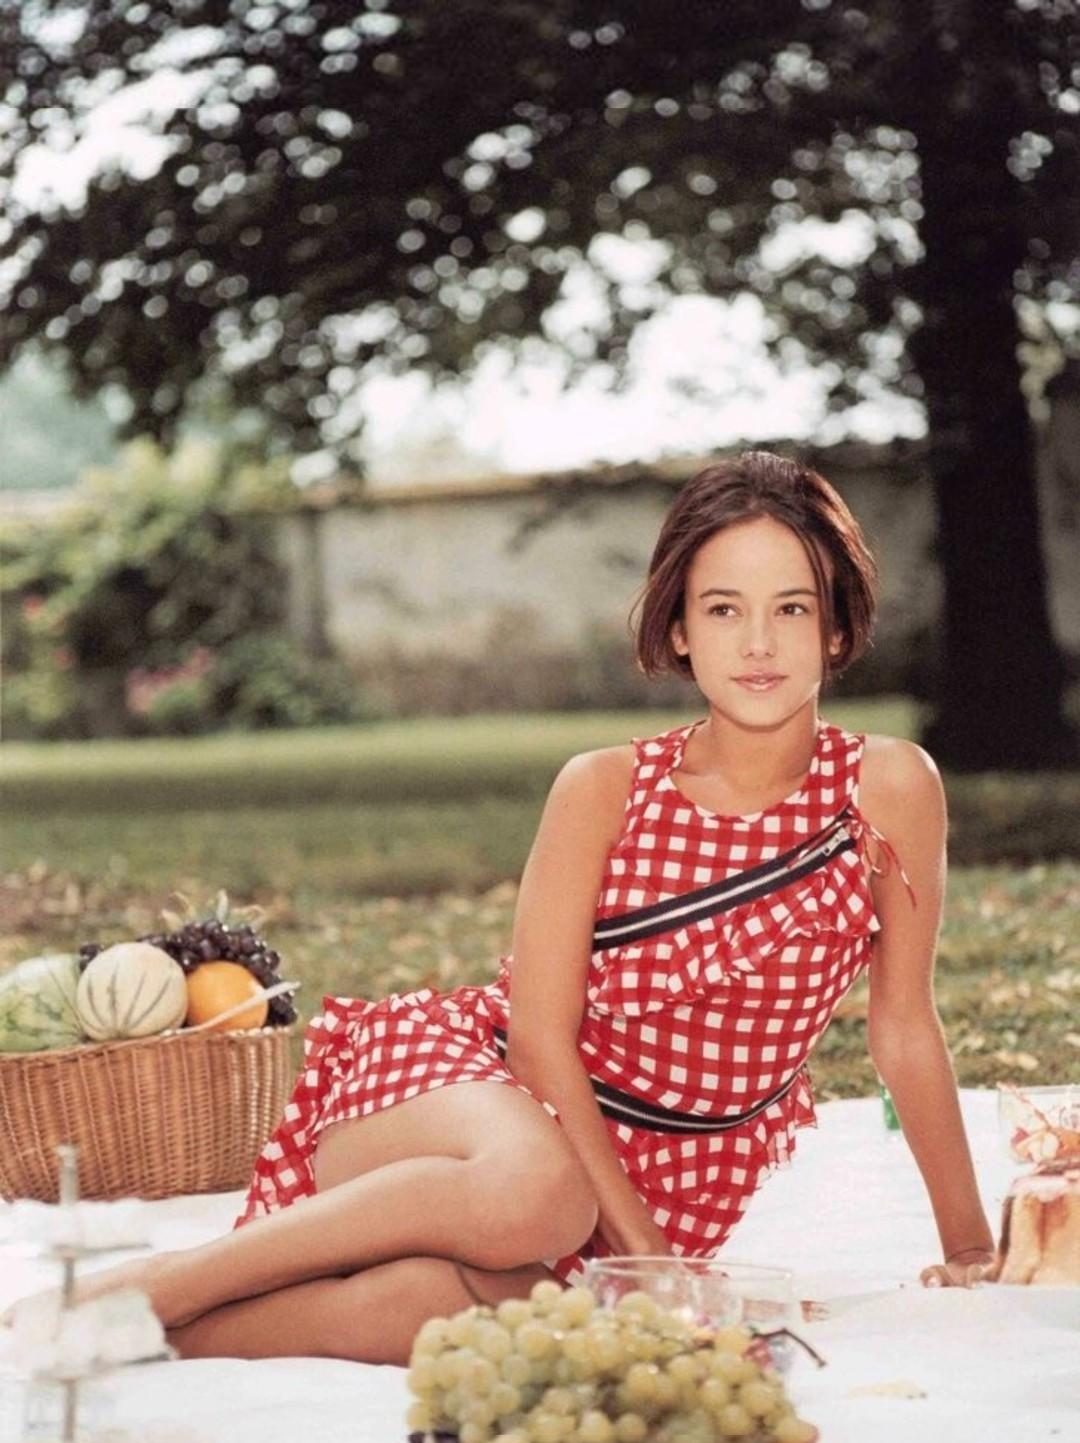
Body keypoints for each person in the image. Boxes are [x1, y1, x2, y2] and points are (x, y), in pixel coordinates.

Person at [5, 450, 996, 1360]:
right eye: (725, 608)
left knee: (484, 1314)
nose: (760, 642)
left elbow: (903, 1026)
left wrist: (969, 1250)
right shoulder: (605, 787)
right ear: (680, 628)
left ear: (837, 626)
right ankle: (164, 1281)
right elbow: (537, 1039)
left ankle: (147, 1335)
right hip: (470, 1097)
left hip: (662, 1173)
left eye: (792, 608)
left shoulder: (890, 788)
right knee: (535, 1190)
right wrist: (653, 1267)